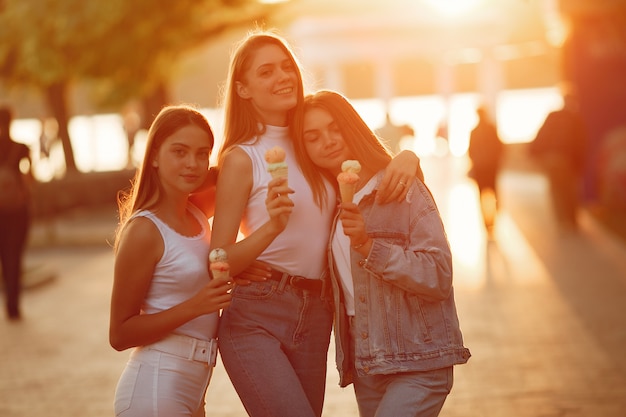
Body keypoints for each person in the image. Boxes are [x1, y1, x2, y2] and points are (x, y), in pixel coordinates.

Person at [210, 29, 423, 417]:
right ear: (243, 90)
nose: (282, 77)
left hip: (318, 312)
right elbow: (219, 258)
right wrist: (270, 229)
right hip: (258, 315)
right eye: (266, 72)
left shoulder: (311, 142)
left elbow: (367, 167)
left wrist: (407, 156)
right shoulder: (242, 158)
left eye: (286, 67)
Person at [296, 89, 471, 417]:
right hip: (369, 365)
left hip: (418, 362)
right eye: (313, 137)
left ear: (353, 127)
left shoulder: (400, 188)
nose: (328, 141)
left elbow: (438, 274)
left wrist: (368, 245)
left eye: (336, 128)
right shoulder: (325, 206)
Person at [109, 104, 235, 417]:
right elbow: (120, 334)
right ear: (153, 156)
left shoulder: (194, 213)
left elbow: (237, 172)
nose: (193, 164)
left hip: (194, 389)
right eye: (179, 152)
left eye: (202, 153)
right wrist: (197, 305)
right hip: (155, 389)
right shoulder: (144, 230)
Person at [529, 89, 588, 232]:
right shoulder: (575, 118)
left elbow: (541, 135)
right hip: (567, 160)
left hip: (550, 159)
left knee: (556, 191)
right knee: (569, 191)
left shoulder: (553, 116)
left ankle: (562, 222)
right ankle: (572, 221)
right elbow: (580, 142)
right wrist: (580, 163)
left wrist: (534, 153)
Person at [0, 106, 33, 321]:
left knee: (4, 256)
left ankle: (7, 302)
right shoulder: (21, 148)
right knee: (15, 255)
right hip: (19, 210)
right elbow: (31, 178)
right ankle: (14, 306)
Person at [467, 105, 504, 233]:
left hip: (480, 168)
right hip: (490, 167)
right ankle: (492, 219)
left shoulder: (474, 131)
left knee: (482, 194)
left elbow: (470, 151)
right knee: (493, 192)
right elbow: (499, 147)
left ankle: (487, 223)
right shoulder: (491, 129)